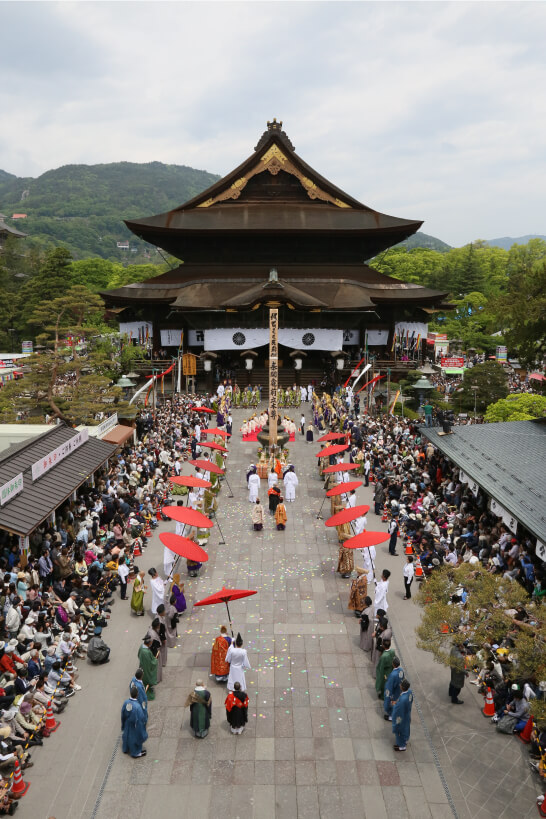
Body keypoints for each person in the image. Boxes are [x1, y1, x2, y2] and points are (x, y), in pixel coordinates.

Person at [121, 685, 148, 758]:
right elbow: (142, 718)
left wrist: (123, 723)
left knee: (126, 735)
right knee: (134, 738)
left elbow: (123, 713)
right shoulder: (137, 706)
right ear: (137, 695)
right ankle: (136, 753)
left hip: (127, 722)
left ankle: (125, 748)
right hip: (135, 725)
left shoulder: (126, 702)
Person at [392, 679, 413, 751]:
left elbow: (399, 712)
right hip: (407, 714)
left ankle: (401, 746)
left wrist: (397, 723)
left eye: (401, 685)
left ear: (402, 688)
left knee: (400, 731)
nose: (400, 685)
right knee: (406, 728)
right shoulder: (410, 692)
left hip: (402, 716)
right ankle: (406, 739)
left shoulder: (403, 699)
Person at [138, 635, 158, 700]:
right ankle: (148, 695)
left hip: (142, 666)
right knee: (147, 681)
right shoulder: (145, 652)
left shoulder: (141, 647)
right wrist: (155, 660)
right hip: (146, 669)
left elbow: (138, 655)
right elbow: (150, 663)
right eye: (151, 642)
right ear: (149, 643)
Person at [384, 657, 404, 721]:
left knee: (388, 705)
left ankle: (392, 717)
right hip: (399, 691)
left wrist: (388, 696)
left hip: (393, 693)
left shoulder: (393, 675)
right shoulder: (401, 670)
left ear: (393, 664)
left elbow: (389, 688)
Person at [449, 640, 468, 705]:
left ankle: (450, 693)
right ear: (460, 646)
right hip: (458, 673)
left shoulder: (453, 648)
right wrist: (466, 672)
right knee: (457, 686)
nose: (463, 647)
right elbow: (461, 668)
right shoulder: (460, 657)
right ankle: (454, 699)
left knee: (452, 680)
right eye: (462, 646)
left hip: (452, 667)